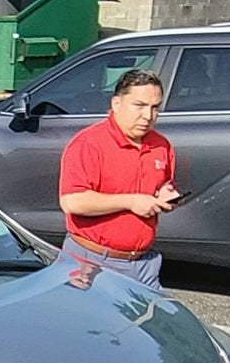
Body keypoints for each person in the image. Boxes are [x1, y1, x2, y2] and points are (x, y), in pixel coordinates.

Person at [58, 68, 179, 289]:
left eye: (155, 108)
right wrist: (132, 201)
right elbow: (72, 202)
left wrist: (164, 194)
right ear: (116, 104)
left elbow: (164, 184)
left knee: (156, 321)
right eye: (139, 106)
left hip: (145, 262)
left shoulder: (161, 145)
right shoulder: (89, 143)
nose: (148, 116)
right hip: (91, 260)